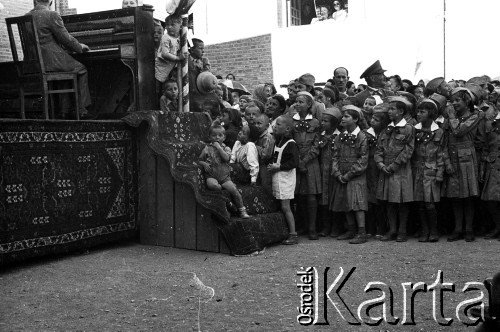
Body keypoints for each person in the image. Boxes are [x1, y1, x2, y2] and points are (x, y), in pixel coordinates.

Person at [28, 0, 91, 119]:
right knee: (81, 69)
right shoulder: (52, 15)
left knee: (65, 68)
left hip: (33, 63)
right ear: (51, 1)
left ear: (34, 1)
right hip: (51, 61)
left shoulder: (26, 17)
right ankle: (83, 110)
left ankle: (64, 111)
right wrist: (79, 47)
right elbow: (65, 39)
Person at [375, 96, 416, 242]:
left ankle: (402, 230)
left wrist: (393, 166)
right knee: (389, 202)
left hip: (401, 170)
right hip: (386, 169)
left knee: (402, 202)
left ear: (401, 111)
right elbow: (379, 148)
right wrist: (380, 164)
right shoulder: (387, 129)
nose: (389, 111)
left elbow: (408, 151)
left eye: (392, 109)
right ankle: (392, 229)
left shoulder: (409, 129)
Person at [443, 87, 481, 242]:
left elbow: (459, 131)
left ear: (467, 101)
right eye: (453, 101)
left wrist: (451, 117)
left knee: (468, 197)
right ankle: (458, 228)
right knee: (456, 197)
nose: (454, 104)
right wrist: (447, 162)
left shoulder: (474, 116)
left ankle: (469, 229)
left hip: (466, 159)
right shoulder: (451, 119)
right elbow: (444, 141)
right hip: (452, 158)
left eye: (458, 100)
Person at [330, 106, 369, 244]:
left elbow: (363, 160)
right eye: (343, 116)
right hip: (341, 174)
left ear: (356, 119)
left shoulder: (362, 137)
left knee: (357, 203)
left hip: (355, 176)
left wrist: (348, 175)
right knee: (345, 202)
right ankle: (351, 229)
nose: (343, 119)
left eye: (347, 116)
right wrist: (337, 173)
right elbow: (334, 156)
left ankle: (362, 232)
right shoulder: (340, 136)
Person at [199, 125, 250, 218]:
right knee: (212, 185)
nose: (217, 137)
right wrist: (204, 164)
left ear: (224, 137)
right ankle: (221, 192)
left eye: (220, 135)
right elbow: (199, 160)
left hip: (224, 178)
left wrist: (219, 147)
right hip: (211, 176)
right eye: (214, 135)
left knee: (234, 190)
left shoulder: (226, 148)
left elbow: (226, 158)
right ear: (209, 137)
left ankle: (242, 210)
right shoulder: (207, 148)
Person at [412, 99, 445, 242]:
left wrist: (440, 172)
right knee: (419, 202)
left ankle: (434, 230)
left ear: (431, 113)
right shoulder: (415, 129)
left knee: (430, 203)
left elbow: (441, 153)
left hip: (431, 170)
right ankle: (424, 230)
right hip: (417, 170)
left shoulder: (438, 131)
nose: (419, 114)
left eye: (422, 112)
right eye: (418, 111)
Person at [292, 91, 322, 240]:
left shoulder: (315, 122)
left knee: (311, 196)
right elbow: (291, 144)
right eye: (296, 101)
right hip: (296, 163)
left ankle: (313, 227)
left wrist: (305, 160)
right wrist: (298, 160)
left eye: (301, 102)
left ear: (309, 104)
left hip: (311, 163)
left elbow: (317, 145)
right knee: (299, 196)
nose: (297, 104)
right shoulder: (292, 121)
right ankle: (303, 225)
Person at [268, 115, 300, 245]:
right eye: (275, 124)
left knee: (286, 206)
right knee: (281, 206)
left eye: (279, 125)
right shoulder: (278, 141)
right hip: (278, 178)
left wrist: (279, 166)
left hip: (285, 179)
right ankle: (284, 231)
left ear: (287, 129)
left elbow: (294, 162)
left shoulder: (291, 144)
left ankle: (293, 234)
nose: (275, 127)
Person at [365, 104, 391, 239]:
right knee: (369, 198)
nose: (372, 122)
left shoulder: (387, 133)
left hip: (381, 168)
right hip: (369, 168)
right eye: (372, 119)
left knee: (380, 199)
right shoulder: (366, 133)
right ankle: (370, 228)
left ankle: (381, 228)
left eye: (377, 120)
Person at [317, 107, 342, 237]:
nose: (322, 123)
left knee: (335, 199)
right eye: (322, 121)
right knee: (323, 200)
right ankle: (326, 227)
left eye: (326, 121)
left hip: (334, 171)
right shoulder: (321, 136)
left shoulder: (339, 136)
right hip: (323, 171)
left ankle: (336, 227)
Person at [481, 108, 500, 239]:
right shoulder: (492, 124)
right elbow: (485, 146)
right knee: (491, 200)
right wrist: (483, 167)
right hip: (493, 164)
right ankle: (498, 226)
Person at [155, 15, 184, 99]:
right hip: (161, 68)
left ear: (180, 26)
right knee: (158, 90)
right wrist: (178, 58)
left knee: (170, 90)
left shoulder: (179, 37)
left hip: (170, 68)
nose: (169, 27)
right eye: (167, 25)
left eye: (172, 25)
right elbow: (165, 54)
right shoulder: (166, 38)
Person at [253, 114, 275, 192]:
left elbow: (266, 154)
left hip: (265, 166)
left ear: (266, 126)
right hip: (259, 165)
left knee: (266, 186)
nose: (256, 125)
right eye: (254, 123)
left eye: (259, 123)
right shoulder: (257, 136)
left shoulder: (268, 137)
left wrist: (254, 146)